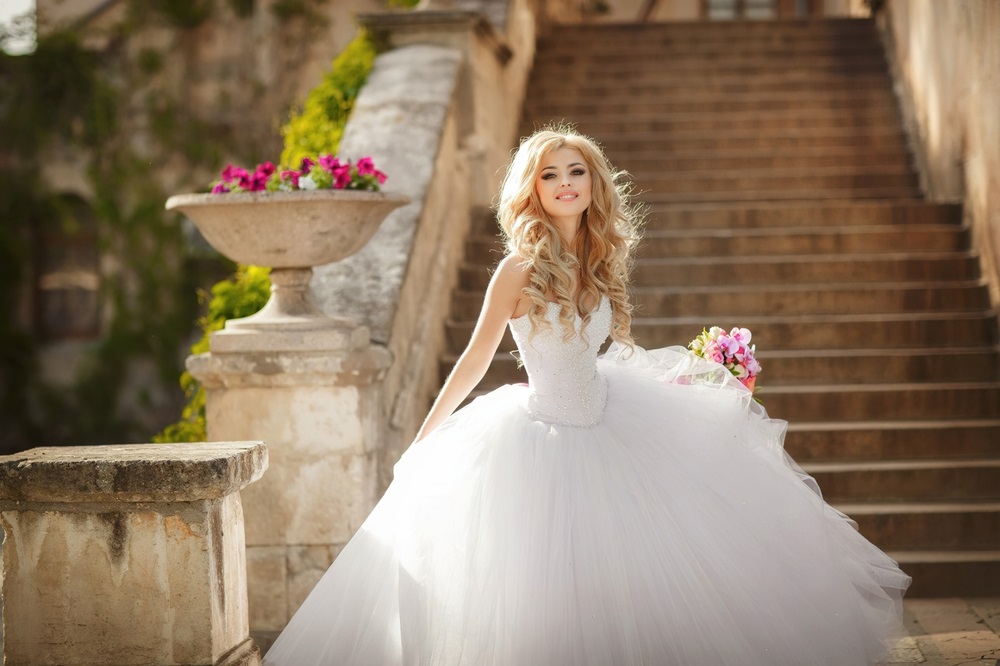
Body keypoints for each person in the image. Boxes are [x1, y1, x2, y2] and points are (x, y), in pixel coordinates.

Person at [262, 128, 911, 666]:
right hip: (541, 437)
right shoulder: (518, 269)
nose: (566, 182)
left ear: (595, 184)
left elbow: (617, 353)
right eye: (549, 175)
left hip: (615, 420)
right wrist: (424, 438)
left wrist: (697, 376)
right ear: (532, 189)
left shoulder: (603, 262)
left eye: (577, 170)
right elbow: (475, 358)